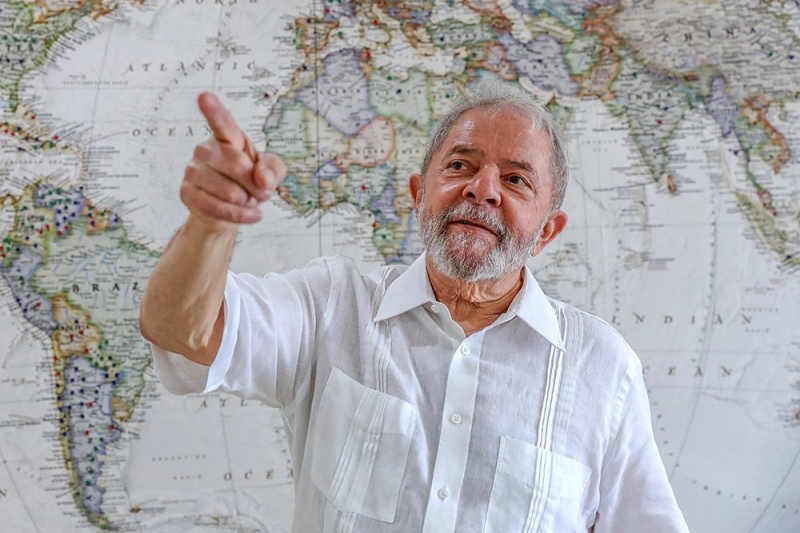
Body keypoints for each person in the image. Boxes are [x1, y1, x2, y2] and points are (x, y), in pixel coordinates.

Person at [139, 80, 689, 532]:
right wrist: (211, 224)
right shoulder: (333, 306)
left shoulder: (602, 369)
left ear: (547, 232)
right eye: (460, 166)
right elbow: (180, 331)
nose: (482, 189)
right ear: (418, 194)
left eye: (516, 179)